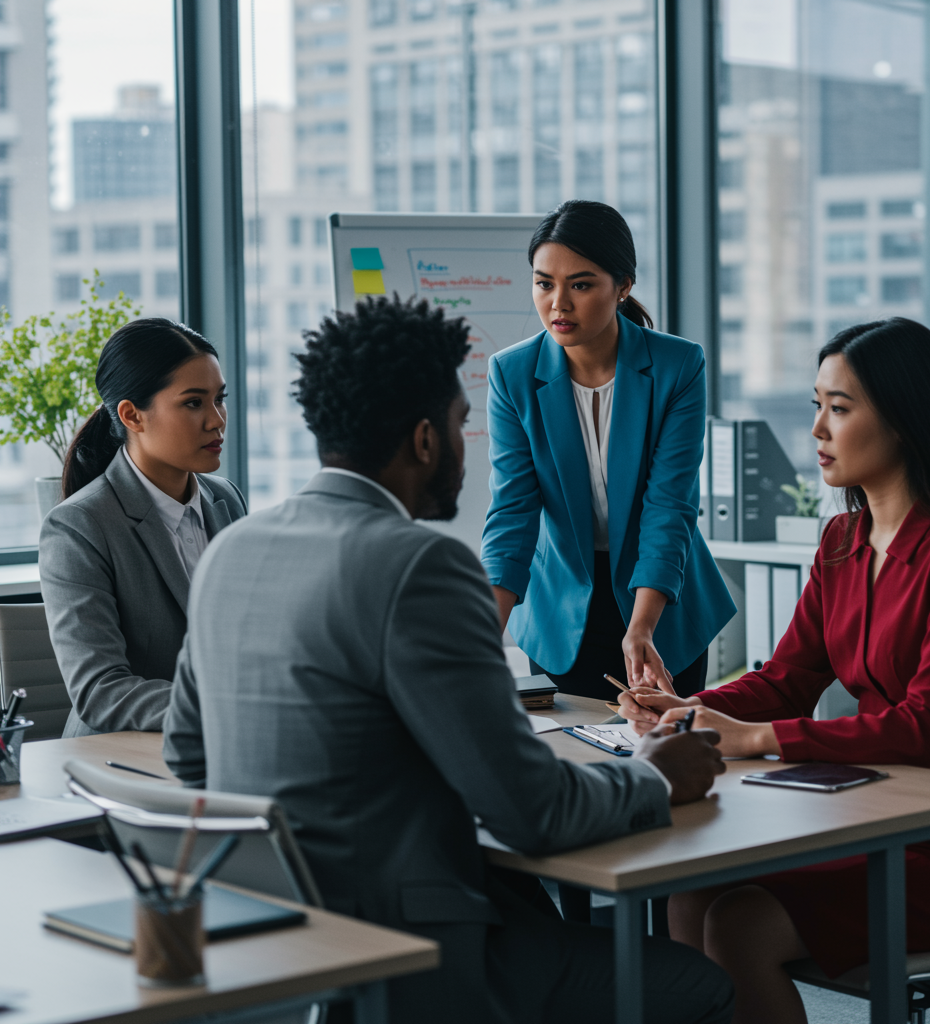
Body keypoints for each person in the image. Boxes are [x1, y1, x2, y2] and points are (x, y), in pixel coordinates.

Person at [162, 295, 735, 1024]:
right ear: (426, 439)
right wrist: (652, 774)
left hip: (275, 943)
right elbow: (535, 812)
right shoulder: (420, 564)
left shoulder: (230, 552)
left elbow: (189, 757)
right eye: (464, 426)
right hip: (409, 950)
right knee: (704, 985)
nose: (471, 446)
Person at [617, 317, 930, 1024]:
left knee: (739, 923)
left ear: (902, 420)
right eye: (816, 405)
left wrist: (754, 738)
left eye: (839, 408)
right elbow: (787, 676)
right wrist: (683, 707)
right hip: (875, 814)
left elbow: (928, 724)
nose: (817, 431)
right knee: (690, 890)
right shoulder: (842, 537)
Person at [480, 200, 734, 704]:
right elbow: (512, 513)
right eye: (543, 283)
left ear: (623, 286)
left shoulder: (677, 366)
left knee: (665, 761)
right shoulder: (511, 374)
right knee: (569, 759)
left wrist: (642, 628)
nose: (558, 303)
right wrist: (482, 637)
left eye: (580, 284)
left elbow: (670, 506)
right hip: (561, 612)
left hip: (661, 601)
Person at [39, 318, 246, 737]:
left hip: (222, 748)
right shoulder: (79, 525)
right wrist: (225, 712)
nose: (217, 420)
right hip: (117, 762)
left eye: (219, 399)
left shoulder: (226, 499)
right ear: (132, 415)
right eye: (193, 403)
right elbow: (100, 690)